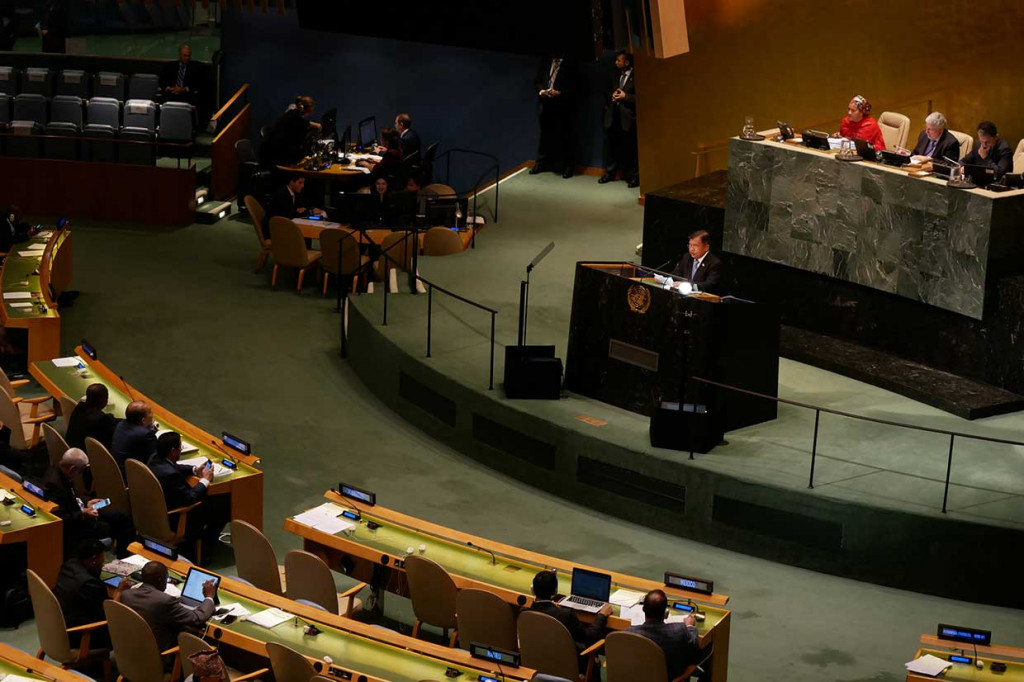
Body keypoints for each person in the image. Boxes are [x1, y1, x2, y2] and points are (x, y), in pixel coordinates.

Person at [147, 431, 229, 562]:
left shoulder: (154, 458)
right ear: (173, 451)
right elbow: (189, 498)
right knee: (224, 504)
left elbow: (174, 466)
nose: (181, 450)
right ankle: (204, 546)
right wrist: (205, 479)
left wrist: (194, 470)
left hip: (154, 509)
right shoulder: (171, 475)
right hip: (175, 518)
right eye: (180, 447)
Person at [42, 448, 135, 558]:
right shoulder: (54, 485)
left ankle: (123, 557)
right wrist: (83, 514)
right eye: (81, 471)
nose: (80, 475)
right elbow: (59, 518)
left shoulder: (59, 470)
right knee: (112, 526)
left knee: (122, 517)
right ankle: (120, 556)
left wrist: (87, 502)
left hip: (81, 510)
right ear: (73, 469)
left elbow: (73, 495)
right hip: (76, 525)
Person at [119, 560, 216, 653]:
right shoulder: (165, 601)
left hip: (129, 651)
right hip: (160, 656)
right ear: (160, 580)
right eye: (166, 578)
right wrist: (209, 597)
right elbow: (197, 618)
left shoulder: (126, 595)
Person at [54, 539, 130, 648]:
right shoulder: (88, 584)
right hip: (83, 634)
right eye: (102, 560)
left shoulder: (68, 565)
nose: (103, 564)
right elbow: (109, 614)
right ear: (94, 559)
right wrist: (120, 591)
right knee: (131, 622)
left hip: (63, 625)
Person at [529, 570, 610, 660]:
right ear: (555, 591)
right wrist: (602, 615)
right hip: (567, 663)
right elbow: (589, 636)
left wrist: (553, 606)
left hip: (535, 659)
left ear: (533, 589)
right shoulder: (565, 615)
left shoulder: (525, 612)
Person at [626, 590, 700, 681]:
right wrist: (690, 626)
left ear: (643, 609)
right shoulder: (679, 631)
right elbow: (695, 648)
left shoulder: (628, 634)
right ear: (666, 612)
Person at [531, 56, 577, 179]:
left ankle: (567, 167)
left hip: (563, 106)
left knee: (566, 136)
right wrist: (541, 91)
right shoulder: (545, 61)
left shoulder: (570, 64)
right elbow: (537, 81)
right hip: (546, 104)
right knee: (545, 135)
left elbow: (576, 86)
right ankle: (541, 163)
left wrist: (560, 93)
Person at [600, 51, 639, 188]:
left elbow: (641, 97)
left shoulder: (637, 76)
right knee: (612, 147)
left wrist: (625, 96)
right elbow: (606, 91)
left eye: (619, 60)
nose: (616, 63)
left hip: (628, 118)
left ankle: (634, 176)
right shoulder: (614, 74)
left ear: (627, 62)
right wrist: (612, 96)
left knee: (630, 148)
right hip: (613, 116)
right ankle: (610, 173)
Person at [263, 96, 322, 168]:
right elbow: (298, 122)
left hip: (277, 151)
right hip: (277, 154)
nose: (310, 113)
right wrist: (314, 125)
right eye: (309, 111)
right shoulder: (292, 115)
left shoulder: (293, 114)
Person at [264, 173, 325, 238]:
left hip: (284, 224)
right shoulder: (282, 194)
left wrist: (309, 209)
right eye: (300, 183)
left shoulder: (294, 193)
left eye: (303, 183)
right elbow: (290, 214)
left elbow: (302, 205)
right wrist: (310, 212)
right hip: (275, 229)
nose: (303, 186)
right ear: (292, 182)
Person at [65, 383, 119, 451]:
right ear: (102, 400)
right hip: (83, 453)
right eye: (106, 398)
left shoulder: (79, 407)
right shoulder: (101, 418)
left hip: (70, 446)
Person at [158, 44, 208, 117]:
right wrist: (169, 88)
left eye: (189, 56)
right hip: (171, 94)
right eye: (185, 55)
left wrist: (184, 89)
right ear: (180, 55)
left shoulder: (196, 68)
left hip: (187, 95)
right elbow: (162, 81)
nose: (187, 58)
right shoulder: (170, 66)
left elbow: (199, 85)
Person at [111, 400, 157, 475]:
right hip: (129, 476)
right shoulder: (145, 435)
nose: (152, 414)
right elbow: (154, 459)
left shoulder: (121, 424)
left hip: (114, 470)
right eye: (149, 412)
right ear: (143, 420)